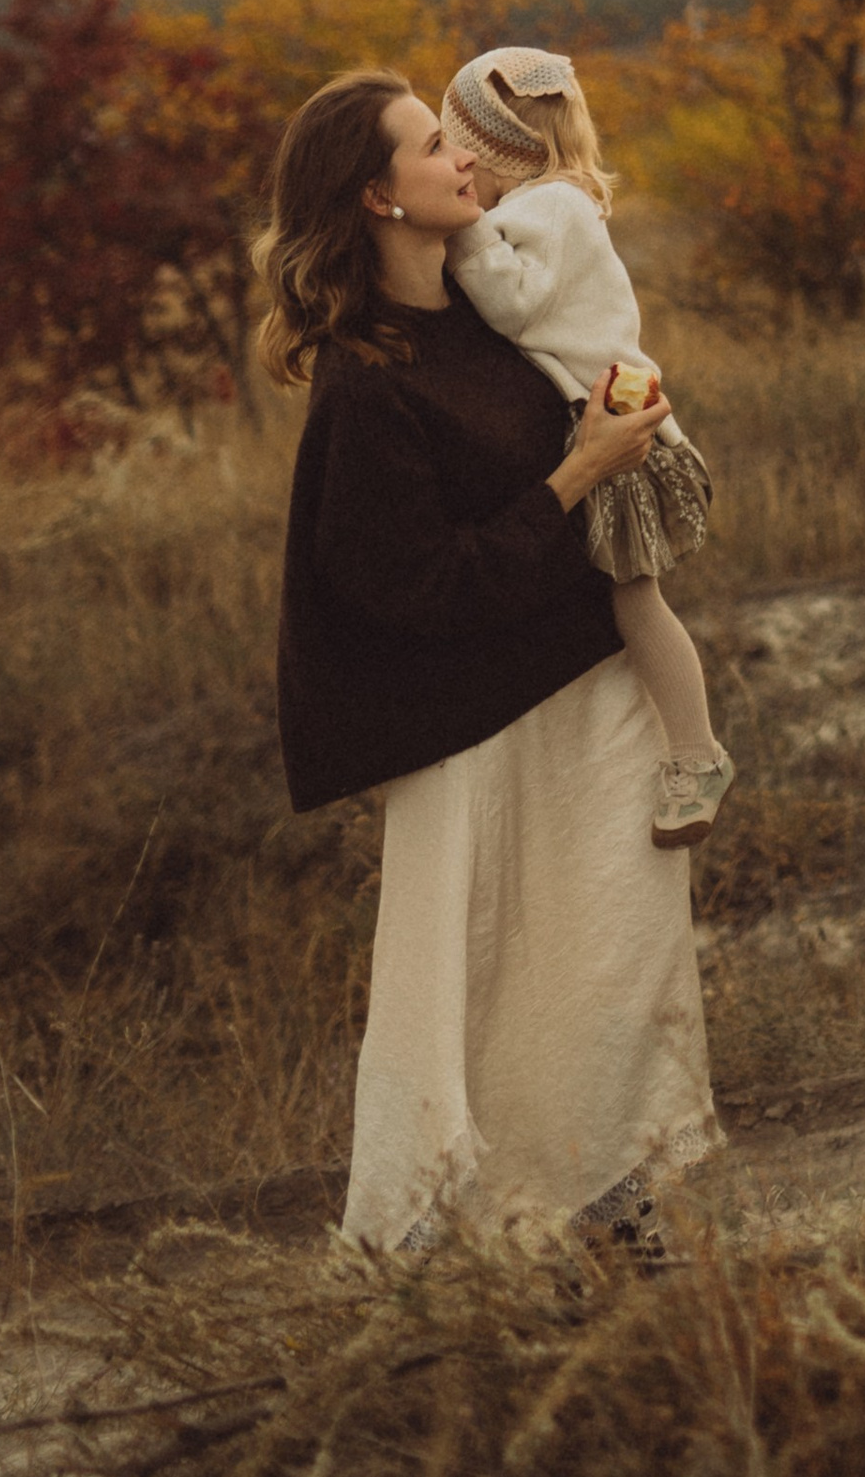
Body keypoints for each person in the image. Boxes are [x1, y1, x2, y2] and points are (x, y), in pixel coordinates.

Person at [262, 70, 718, 1254]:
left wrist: (622, 428)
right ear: (378, 197)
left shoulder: (495, 322)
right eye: (431, 147)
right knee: (470, 1001)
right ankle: (459, 1245)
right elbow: (423, 591)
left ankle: (608, 1223)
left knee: (612, 967)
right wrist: (581, 473)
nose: (463, 157)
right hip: (470, 735)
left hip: (589, 695)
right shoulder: (365, 388)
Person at [441, 46, 734, 851]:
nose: (457, 173)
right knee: (616, 601)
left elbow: (512, 305)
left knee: (635, 601)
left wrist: (462, 230)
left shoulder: (550, 209)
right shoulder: (555, 203)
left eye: (460, 153)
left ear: (499, 154)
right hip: (603, 426)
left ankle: (697, 755)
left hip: (615, 433)